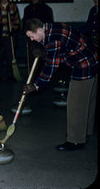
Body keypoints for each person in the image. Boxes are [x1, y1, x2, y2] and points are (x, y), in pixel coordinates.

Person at [23, 18, 98, 151]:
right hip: (92, 59)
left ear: (40, 30)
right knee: (87, 101)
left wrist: (36, 85)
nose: (32, 40)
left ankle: (75, 140)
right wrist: (45, 52)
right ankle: (86, 132)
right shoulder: (52, 28)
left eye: (32, 36)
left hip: (83, 64)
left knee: (76, 104)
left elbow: (52, 66)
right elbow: (62, 50)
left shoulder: (53, 38)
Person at [22, 0, 54, 69]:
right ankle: (33, 79)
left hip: (43, 38)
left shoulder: (47, 9)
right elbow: (25, 25)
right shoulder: (27, 9)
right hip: (32, 40)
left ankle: (44, 78)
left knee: (44, 59)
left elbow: (50, 24)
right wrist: (26, 38)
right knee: (32, 59)